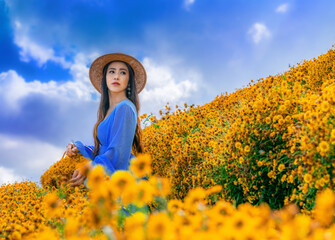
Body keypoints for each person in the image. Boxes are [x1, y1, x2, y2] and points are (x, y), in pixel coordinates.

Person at [65, 53, 147, 188]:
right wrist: (79, 148)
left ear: (129, 80)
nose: (116, 76)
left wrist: (89, 167)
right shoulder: (109, 111)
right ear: (105, 78)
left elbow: (118, 152)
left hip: (124, 182)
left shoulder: (125, 108)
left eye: (123, 72)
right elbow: (106, 149)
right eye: (112, 72)